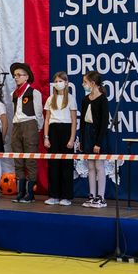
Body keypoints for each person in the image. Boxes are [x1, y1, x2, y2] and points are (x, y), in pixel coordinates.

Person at [10, 62, 44, 203]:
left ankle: (30, 193)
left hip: (29, 124)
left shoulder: (34, 93)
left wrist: (37, 128)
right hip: (16, 125)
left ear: (26, 76)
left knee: (30, 160)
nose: (16, 77)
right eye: (15, 75)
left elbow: (39, 113)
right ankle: (21, 192)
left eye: (19, 75)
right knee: (18, 159)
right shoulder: (14, 94)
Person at [43, 71, 77, 206]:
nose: (58, 84)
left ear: (66, 83)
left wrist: (72, 139)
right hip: (53, 131)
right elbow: (47, 119)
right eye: (56, 81)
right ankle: (54, 195)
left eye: (60, 81)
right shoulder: (50, 99)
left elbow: (74, 120)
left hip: (66, 130)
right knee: (53, 165)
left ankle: (66, 196)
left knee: (66, 165)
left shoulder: (71, 99)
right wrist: (46, 137)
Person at [79, 70, 110, 208]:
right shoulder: (85, 100)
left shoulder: (103, 99)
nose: (83, 84)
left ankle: (101, 197)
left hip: (98, 136)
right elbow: (83, 121)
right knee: (90, 166)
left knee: (99, 165)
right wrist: (81, 139)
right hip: (87, 135)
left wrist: (98, 142)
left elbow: (104, 123)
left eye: (85, 82)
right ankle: (91, 195)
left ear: (93, 83)